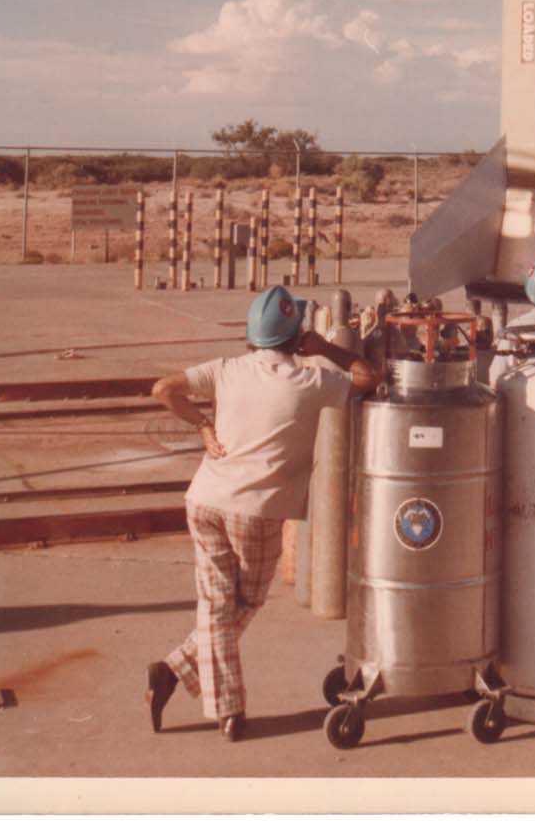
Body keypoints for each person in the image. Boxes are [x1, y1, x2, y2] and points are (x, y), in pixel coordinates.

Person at [145, 285, 377, 741]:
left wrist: (202, 424)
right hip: (256, 512)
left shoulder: (228, 369)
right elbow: (370, 379)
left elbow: (164, 389)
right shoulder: (311, 382)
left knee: (216, 607)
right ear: (297, 337)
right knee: (244, 603)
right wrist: (327, 346)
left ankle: (175, 675)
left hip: (205, 499)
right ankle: (223, 708)